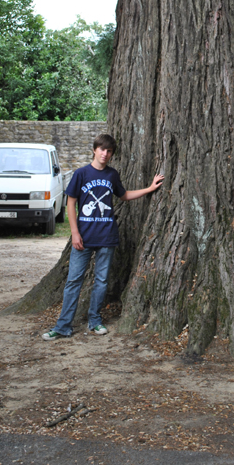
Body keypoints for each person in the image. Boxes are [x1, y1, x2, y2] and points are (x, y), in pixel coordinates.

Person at [42, 133, 164, 341]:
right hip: (83, 238)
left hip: (107, 236)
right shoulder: (81, 174)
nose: (105, 154)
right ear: (94, 149)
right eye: (102, 149)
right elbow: (71, 203)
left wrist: (150, 189)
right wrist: (74, 233)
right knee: (73, 281)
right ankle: (63, 326)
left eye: (109, 151)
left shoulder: (112, 175)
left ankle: (95, 321)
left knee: (101, 281)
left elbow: (123, 195)